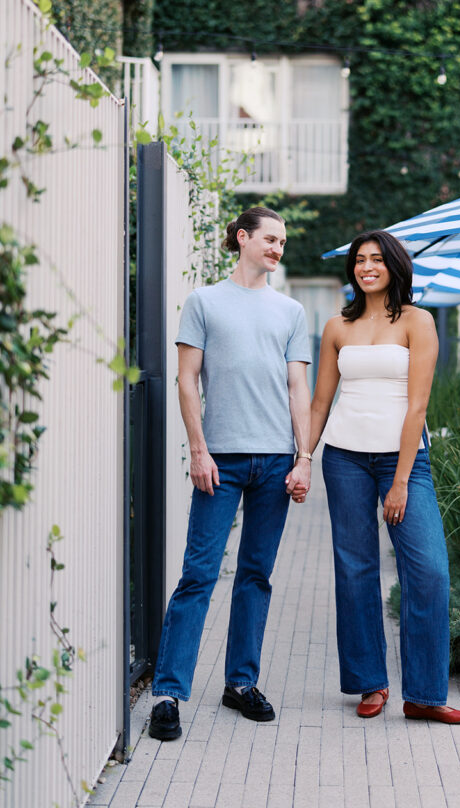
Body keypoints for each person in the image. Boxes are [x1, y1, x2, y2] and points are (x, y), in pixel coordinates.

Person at [149, 207, 312, 741]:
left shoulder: (291, 311)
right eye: (269, 238)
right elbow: (187, 380)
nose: (277, 248)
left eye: (282, 242)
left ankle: (240, 684)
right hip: (220, 459)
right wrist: (198, 449)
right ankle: (169, 693)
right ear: (242, 238)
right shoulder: (204, 302)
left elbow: (297, 390)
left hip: (275, 463)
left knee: (255, 576)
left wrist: (304, 457)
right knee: (198, 575)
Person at [309, 230, 460, 724]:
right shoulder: (338, 325)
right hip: (343, 457)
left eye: (377, 259)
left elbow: (418, 404)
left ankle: (424, 695)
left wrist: (400, 480)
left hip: (404, 461)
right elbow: (321, 402)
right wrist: (302, 456)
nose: (366, 267)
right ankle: (370, 683)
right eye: (359, 260)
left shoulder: (418, 322)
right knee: (355, 568)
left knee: (428, 571)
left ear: (395, 266)